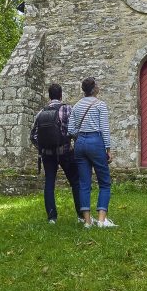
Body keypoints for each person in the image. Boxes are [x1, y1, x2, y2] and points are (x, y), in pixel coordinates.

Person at [68, 77, 117, 228]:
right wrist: (108, 149)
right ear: (94, 88)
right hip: (96, 141)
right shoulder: (100, 105)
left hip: (80, 143)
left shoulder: (76, 106)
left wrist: (81, 135)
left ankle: (87, 222)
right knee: (104, 182)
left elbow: (70, 130)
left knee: (84, 183)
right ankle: (102, 220)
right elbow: (104, 129)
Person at [30, 83, 81, 224]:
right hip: (65, 151)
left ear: (49, 95)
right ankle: (81, 216)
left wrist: (42, 147)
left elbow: (33, 135)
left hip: (47, 155)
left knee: (49, 183)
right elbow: (74, 130)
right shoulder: (68, 109)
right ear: (60, 95)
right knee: (75, 182)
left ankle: (52, 218)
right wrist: (69, 141)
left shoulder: (41, 112)